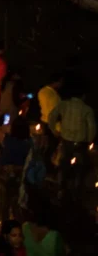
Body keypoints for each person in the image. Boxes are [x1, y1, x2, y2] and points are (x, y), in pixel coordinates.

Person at [47, 72, 95, 205]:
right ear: (83, 95)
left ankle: (61, 190)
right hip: (80, 142)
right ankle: (76, 192)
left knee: (63, 165)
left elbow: (51, 117)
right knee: (81, 167)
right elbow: (92, 127)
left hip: (66, 140)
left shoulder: (64, 105)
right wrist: (89, 139)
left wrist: (54, 130)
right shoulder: (87, 109)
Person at [0, 116, 30, 222]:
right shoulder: (30, 143)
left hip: (4, 174)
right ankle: (16, 225)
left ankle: (1, 226)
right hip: (20, 175)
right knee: (16, 202)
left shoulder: (7, 140)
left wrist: (2, 111)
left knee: (1, 202)